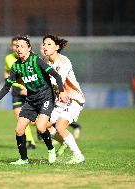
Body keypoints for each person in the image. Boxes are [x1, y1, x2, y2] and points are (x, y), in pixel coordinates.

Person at [0, 36, 69, 165]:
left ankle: (51, 149)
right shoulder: (16, 66)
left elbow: (56, 75)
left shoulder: (36, 61)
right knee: (19, 129)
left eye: (22, 46)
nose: (19, 49)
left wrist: (62, 91)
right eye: (17, 46)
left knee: (41, 127)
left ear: (29, 49)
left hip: (46, 97)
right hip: (31, 100)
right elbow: (7, 86)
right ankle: (24, 159)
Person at [42, 34, 85, 164]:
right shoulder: (46, 62)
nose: (45, 46)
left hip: (73, 98)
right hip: (60, 101)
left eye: (49, 44)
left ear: (57, 47)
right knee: (43, 125)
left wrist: (59, 91)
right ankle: (65, 142)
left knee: (60, 126)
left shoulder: (63, 61)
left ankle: (78, 156)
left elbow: (58, 79)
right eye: (44, 44)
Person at [4, 37, 36, 149]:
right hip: (16, 91)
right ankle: (31, 142)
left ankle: (48, 128)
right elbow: (7, 71)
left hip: (28, 89)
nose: (16, 47)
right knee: (20, 118)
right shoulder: (8, 58)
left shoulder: (29, 58)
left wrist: (28, 89)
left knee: (33, 121)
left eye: (18, 45)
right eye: (14, 45)